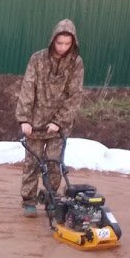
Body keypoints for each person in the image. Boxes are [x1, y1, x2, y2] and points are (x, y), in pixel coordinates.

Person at [15, 19, 84, 217]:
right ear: (53, 40)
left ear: (73, 43)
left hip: (58, 126)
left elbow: (75, 95)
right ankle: (28, 200)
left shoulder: (76, 64)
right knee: (32, 163)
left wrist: (59, 122)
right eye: (59, 43)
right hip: (35, 124)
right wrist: (24, 119)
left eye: (67, 44)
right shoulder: (37, 59)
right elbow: (28, 88)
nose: (62, 47)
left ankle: (51, 198)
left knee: (54, 164)